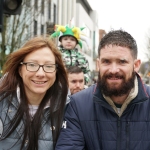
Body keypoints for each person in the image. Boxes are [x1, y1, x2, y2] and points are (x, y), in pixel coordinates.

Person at [55, 30, 150, 150]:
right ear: (98, 64)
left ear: (136, 65)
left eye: (122, 62)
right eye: (106, 62)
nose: (113, 70)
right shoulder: (77, 105)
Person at [0, 35, 68, 150]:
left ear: (56, 71)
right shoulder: (2, 102)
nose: (40, 73)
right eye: (32, 65)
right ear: (20, 70)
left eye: (48, 66)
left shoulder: (69, 109)